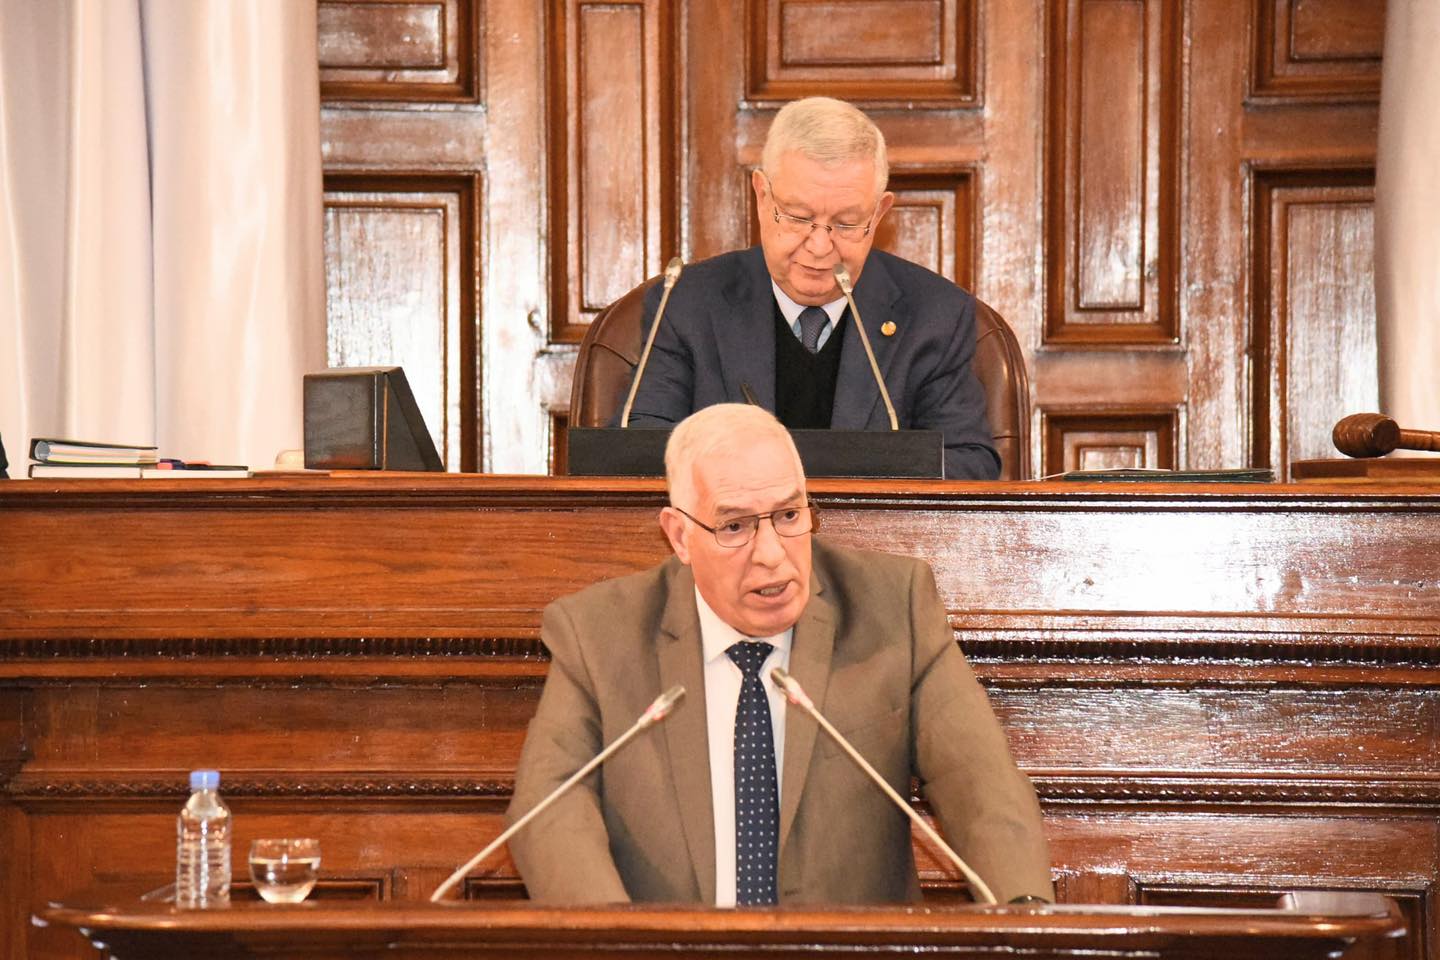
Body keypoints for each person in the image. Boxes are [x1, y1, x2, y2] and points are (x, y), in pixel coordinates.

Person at [508, 404, 1050, 905]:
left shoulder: (892, 611)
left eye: (789, 516)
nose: (771, 556)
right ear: (679, 536)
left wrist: (1029, 924)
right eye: (735, 526)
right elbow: (548, 808)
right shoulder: (600, 634)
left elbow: (983, 790)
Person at [616, 97, 1001, 480]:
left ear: (880, 212)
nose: (820, 246)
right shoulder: (687, 303)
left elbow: (970, 467)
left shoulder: (934, 315)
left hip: (871, 542)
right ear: (762, 196)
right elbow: (641, 453)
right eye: (799, 218)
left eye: (847, 223)